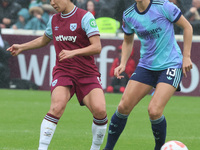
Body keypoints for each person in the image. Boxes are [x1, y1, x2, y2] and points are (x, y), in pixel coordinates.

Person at [7, 0, 108, 150]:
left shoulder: (85, 17)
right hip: (64, 71)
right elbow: (44, 40)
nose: (52, 3)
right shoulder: (54, 19)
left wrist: (73, 52)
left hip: (87, 73)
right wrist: (22, 47)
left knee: (100, 111)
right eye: (50, 0)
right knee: (56, 107)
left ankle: (95, 148)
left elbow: (97, 47)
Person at [103, 0, 193, 150]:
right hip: (146, 66)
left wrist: (186, 56)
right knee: (123, 106)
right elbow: (127, 40)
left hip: (170, 64)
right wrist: (123, 63)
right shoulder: (129, 15)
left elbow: (187, 27)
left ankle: (159, 148)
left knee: (154, 110)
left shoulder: (164, 6)